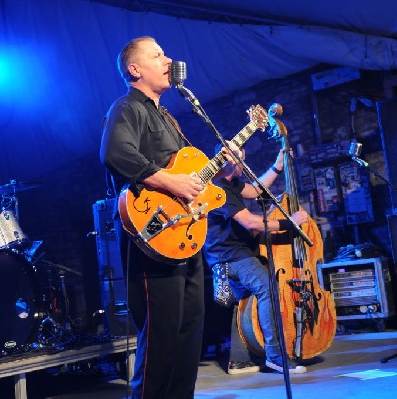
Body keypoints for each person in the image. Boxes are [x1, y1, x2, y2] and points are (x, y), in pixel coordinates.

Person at [100, 36, 237, 399]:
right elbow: (115, 154)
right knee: (160, 336)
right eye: (157, 55)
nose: (168, 59)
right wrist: (170, 181)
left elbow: (189, 179)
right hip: (152, 235)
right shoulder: (126, 107)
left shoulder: (167, 117)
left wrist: (220, 172)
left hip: (184, 237)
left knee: (189, 330)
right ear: (135, 69)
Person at [203, 146, 309, 375]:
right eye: (242, 160)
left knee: (243, 301)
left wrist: (277, 166)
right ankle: (276, 356)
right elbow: (250, 222)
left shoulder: (230, 184)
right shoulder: (219, 189)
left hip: (228, 254)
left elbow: (255, 190)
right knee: (268, 286)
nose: (244, 164)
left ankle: (239, 359)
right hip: (229, 255)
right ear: (232, 162)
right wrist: (289, 224)